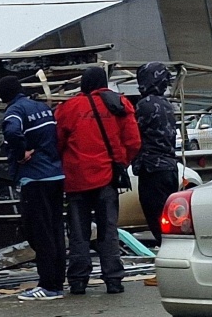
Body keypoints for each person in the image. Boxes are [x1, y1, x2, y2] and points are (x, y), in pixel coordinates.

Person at [55, 66, 141, 296]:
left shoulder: (68, 108)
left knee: (78, 232)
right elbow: (133, 141)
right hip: (107, 178)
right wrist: (120, 162)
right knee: (108, 230)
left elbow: (57, 142)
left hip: (76, 179)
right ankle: (113, 280)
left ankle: (78, 281)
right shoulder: (120, 104)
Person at [0, 75, 66, 302]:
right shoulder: (43, 108)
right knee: (56, 231)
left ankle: (47, 286)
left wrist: (20, 153)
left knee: (39, 233)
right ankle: (57, 282)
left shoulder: (15, 110)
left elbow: (12, 132)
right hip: (56, 175)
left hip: (34, 179)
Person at [132, 63, 177, 263]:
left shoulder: (145, 105)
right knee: (168, 218)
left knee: (155, 216)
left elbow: (134, 134)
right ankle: (170, 256)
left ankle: (168, 261)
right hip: (169, 167)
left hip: (152, 168)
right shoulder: (167, 104)